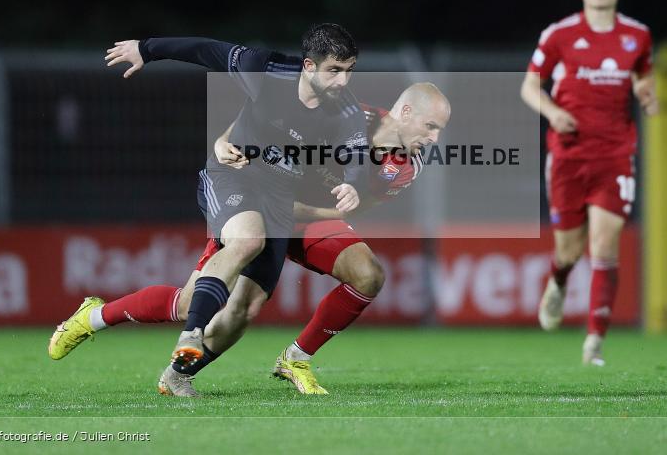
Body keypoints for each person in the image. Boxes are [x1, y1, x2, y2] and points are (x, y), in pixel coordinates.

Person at [48, 83, 451, 398]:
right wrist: (226, 143)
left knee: (368, 275)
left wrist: (296, 211)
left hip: (302, 216)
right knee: (204, 304)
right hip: (258, 199)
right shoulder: (343, 116)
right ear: (405, 111)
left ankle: (292, 360)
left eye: (440, 130)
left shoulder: (403, 167)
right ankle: (95, 317)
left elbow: (350, 209)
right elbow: (259, 119)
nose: (434, 138)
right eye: (431, 126)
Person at [48, 24, 368, 371]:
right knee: (248, 241)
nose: (343, 82)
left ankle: (106, 327)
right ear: (309, 66)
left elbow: (358, 155)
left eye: (349, 71)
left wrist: (352, 184)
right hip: (233, 177)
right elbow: (208, 50)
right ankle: (192, 334)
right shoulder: (265, 69)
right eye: (334, 71)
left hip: (277, 200)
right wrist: (147, 49)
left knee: (235, 308)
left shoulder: (346, 110)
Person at [520, 0, 657, 366]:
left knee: (604, 245)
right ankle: (558, 280)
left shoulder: (637, 36)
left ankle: (594, 341)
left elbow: (643, 76)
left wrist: (647, 92)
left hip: (615, 154)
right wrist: (552, 112)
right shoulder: (560, 35)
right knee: (570, 251)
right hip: (569, 156)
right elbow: (529, 87)